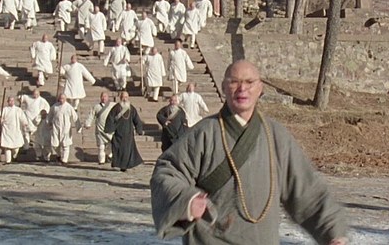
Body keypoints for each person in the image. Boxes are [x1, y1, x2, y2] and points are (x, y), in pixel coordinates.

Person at [150, 60, 349, 245]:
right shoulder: (203, 133)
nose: (242, 88)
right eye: (234, 82)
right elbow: (167, 172)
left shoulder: (276, 136)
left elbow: (306, 191)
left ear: (260, 88)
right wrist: (187, 200)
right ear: (224, 87)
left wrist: (332, 232)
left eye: (249, 82)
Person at [104, 90, 144, 172]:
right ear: (120, 98)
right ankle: (120, 165)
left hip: (128, 134)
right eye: (123, 97)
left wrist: (139, 129)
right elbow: (110, 118)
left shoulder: (131, 108)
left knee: (127, 151)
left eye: (126, 97)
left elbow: (136, 119)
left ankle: (124, 166)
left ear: (128, 98)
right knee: (118, 150)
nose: (124, 99)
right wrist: (109, 129)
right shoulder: (116, 108)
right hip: (118, 134)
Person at [0, 96, 30, 164]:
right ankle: (8, 161)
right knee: (7, 147)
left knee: (16, 147)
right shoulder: (5, 109)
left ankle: (14, 156)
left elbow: (23, 118)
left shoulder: (18, 110)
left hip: (16, 130)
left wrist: (25, 123)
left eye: (12, 101)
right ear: (8, 102)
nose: (11, 102)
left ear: (14, 102)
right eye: (10, 101)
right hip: (7, 130)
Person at [84, 92, 116, 165]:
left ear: (108, 97)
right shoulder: (96, 107)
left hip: (110, 129)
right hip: (100, 130)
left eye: (105, 96)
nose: (104, 98)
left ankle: (110, 156)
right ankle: (101, 161)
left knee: (110, 144)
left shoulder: (113, 105)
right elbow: (91, 115)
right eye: (102, 96)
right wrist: (88, 124)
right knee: (101, 146)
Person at [48, 93, 78, 164]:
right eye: (60, 98)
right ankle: (59, 155)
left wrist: (78, 127)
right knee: (55, 144)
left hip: (66, 128)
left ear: (65, 99)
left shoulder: (69, 107)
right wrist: (49, 122)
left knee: (66, 144)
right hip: (56, 127)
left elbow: (75, 117)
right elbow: (50, 115)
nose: (61, 100)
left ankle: (64, 160)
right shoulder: (55, 106)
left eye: (63, 99)